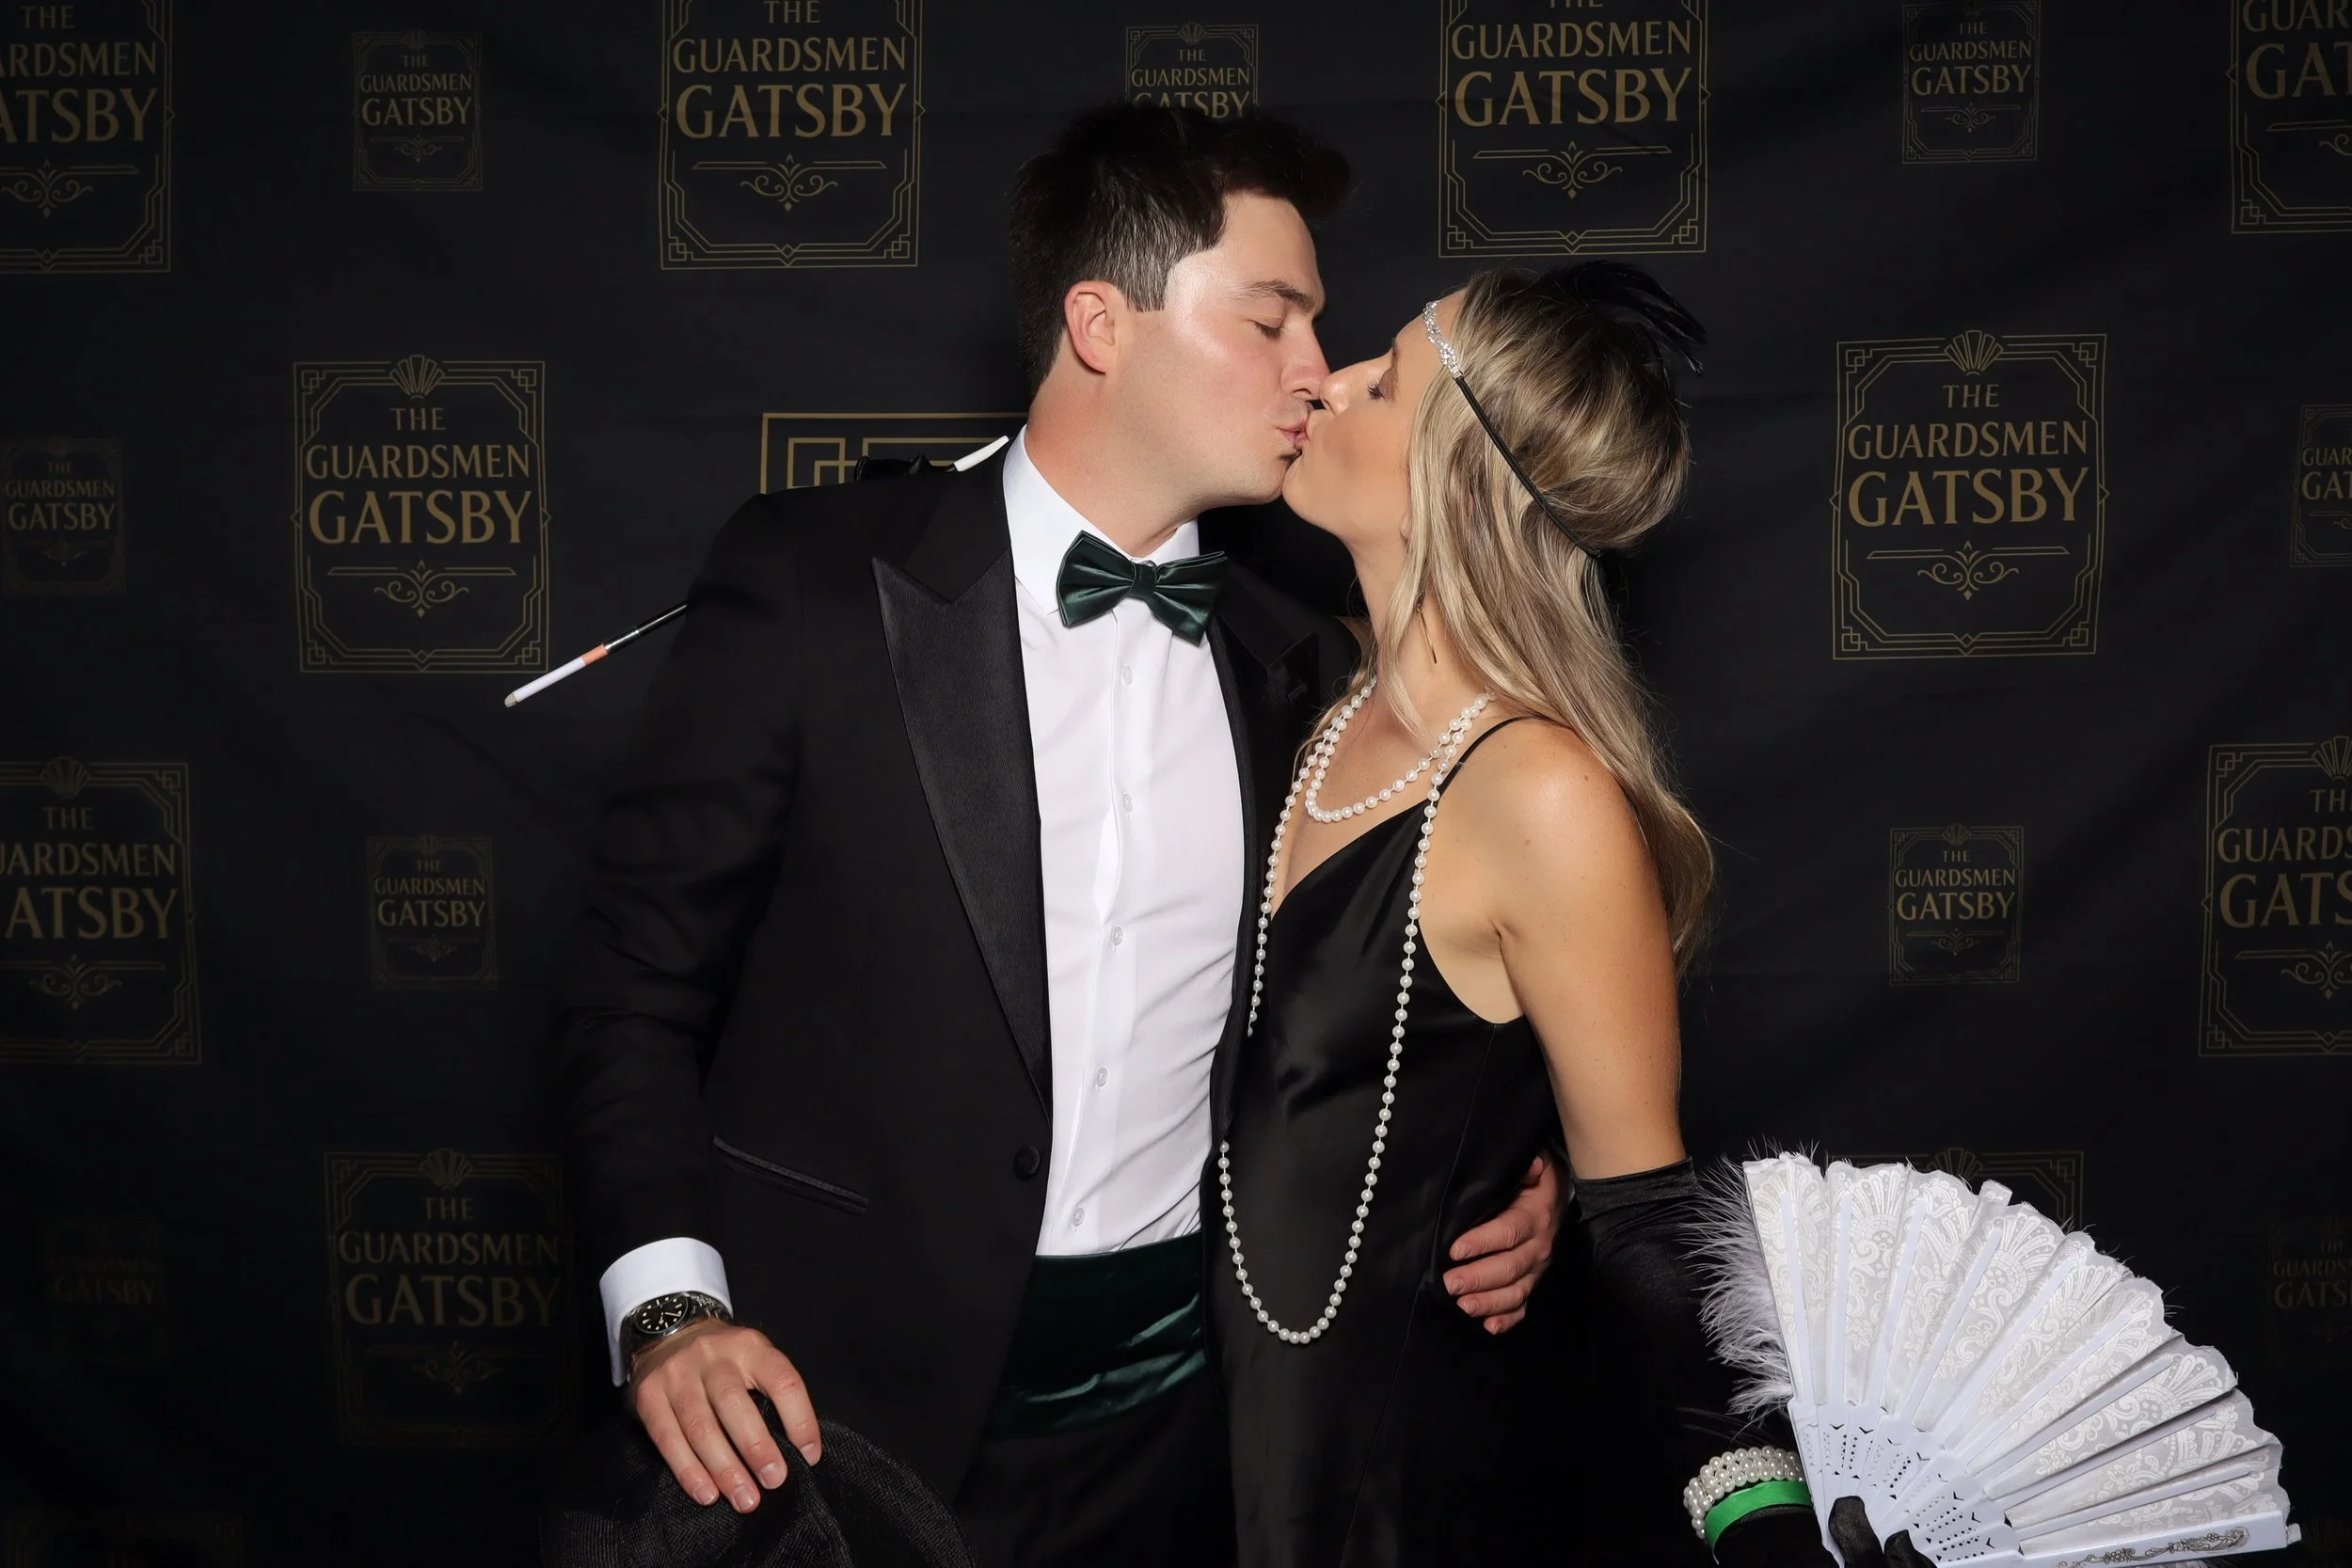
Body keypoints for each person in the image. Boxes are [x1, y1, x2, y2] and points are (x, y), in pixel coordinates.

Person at [552, 103, 1565, 1568]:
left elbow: (1400, 1001)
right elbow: (630, 991)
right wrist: (668, 1309)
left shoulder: (1309, 672)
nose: (1315, 368)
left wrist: (1515, 1180)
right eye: (1271, 319)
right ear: (1102, 323)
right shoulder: (815, 586)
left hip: (1178, 1444)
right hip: (818, 1424)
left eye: (1317, 326)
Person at [1206, 264, 1832, 1565]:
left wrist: (1766, 1522)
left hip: (1391, 1493)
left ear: (1456, 476)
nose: (1329, 382)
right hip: (1194, 1459)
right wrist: (1506, 1143)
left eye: (1385, 383)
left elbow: (1649, 1224)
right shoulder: (1296, 699)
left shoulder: (1541, 793)